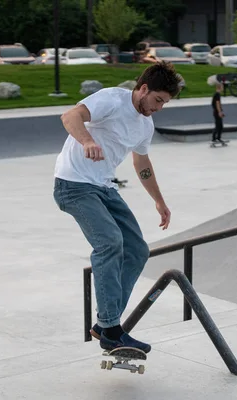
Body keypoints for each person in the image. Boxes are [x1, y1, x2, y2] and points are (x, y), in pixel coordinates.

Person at [53, 62, 181, 354]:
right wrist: (86, 140)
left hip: (104, 188)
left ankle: (106, 324)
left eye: (165, 103)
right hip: (73, 185)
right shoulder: (112, 99)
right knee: (110, 243)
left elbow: (142, 163)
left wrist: (159, 200)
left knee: (137, 250)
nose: (158, 108)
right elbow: (70, 115)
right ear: (143, 89)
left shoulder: (145, 125)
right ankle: (111, 328)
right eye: (157, 100)